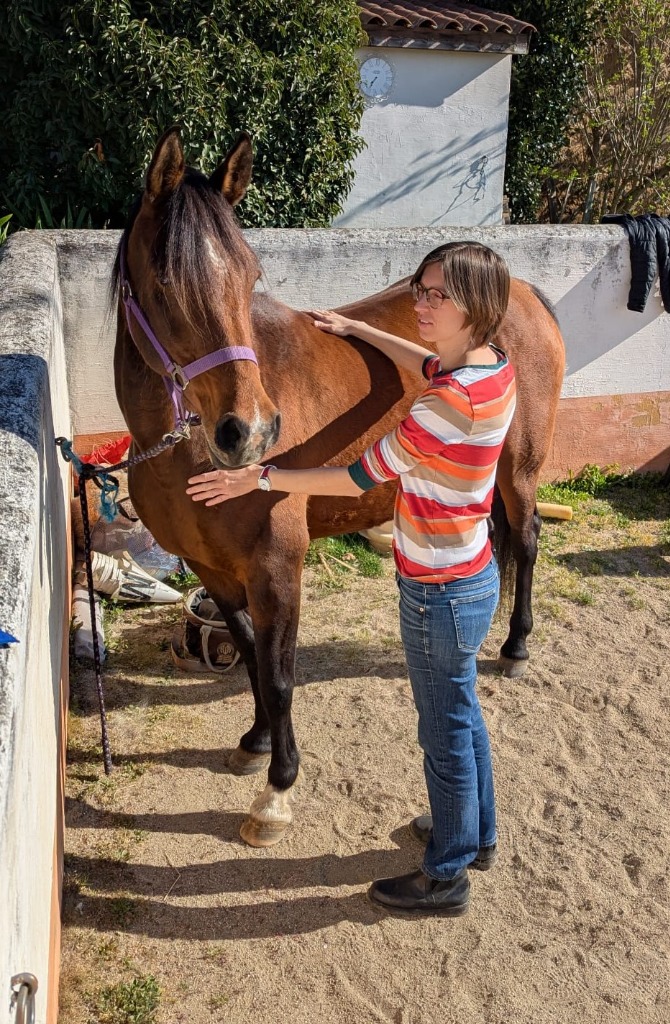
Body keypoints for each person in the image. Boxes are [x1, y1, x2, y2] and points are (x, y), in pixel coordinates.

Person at [186, 241, 516, 916]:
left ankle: (446, 873)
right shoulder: (491, 369)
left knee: (443, 727)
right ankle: (474, 832)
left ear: (474, 306)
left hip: (439, 589)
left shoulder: (445, 407)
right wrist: (359, 329)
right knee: (462, 711)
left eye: (435, 297)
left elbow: (363, 475)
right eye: (418, 291)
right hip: (470, 570)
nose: (419, 306)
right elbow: (425, 363)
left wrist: (263, 475)